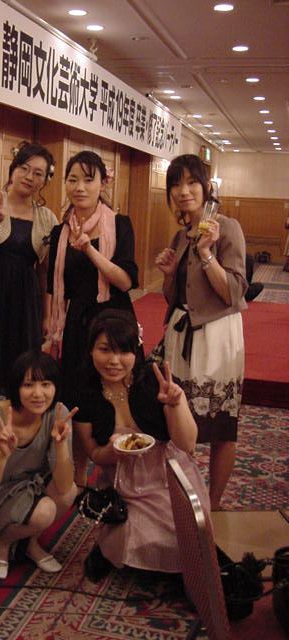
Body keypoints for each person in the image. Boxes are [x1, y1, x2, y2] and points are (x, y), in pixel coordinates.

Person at [73, 309, 210, 581]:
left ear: (136, 351)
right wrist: (113, 451)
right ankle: (108, 547)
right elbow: (94, 453)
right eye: (105, 350)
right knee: (133, 537)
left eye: (123, 351)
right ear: (90, 350)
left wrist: (176, 404)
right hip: (123, 478)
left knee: (184, 535)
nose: (114, 361)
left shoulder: (153, 381)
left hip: (167, 471)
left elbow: (187, 443)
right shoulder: (84, 392)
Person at [155, 153, 247, 510]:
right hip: (181, 337)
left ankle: (214, 503)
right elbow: (175, 298)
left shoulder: (228, 228)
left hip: (217, 336)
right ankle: (186, 500)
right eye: (176, 184)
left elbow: (233, 292)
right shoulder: (180, 236)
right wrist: (168, 275)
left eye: (192, 182)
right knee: (180, 421)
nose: (184, 191)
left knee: (222, 427)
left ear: (206, 186)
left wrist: (207, 255)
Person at [47, 150, 139, 485]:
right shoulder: (59, 233)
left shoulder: (120, 224)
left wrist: (89, 249)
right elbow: (53, 288)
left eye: (88, 179)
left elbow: (125, 281)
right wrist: (50, 332)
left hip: (114, 321)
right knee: (79, 397)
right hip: (78, 325)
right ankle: (79, 476)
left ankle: (125, 470)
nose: (80, 187)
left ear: (103, 184)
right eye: (72, 180)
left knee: (119, 393)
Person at [0, 350, 77, 580]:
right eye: (28, 385)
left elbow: (64, 486)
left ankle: (28, 542)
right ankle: (0, 542)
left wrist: (61, 444)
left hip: (28, 490)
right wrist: (2, 456)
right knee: (45, 512)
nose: (38, 394)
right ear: (15, 387)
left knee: (70, 491)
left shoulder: (58, 413)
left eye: (46, 384)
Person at [0, 142, 58, 402]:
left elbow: (45, 273)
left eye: (38, 173)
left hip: (25, 303)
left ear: (45, 180)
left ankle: (18, 424)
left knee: (21, 371)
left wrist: (46, 315)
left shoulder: (47, 218)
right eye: (24, 168)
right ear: (13, 169)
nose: (29, 177)